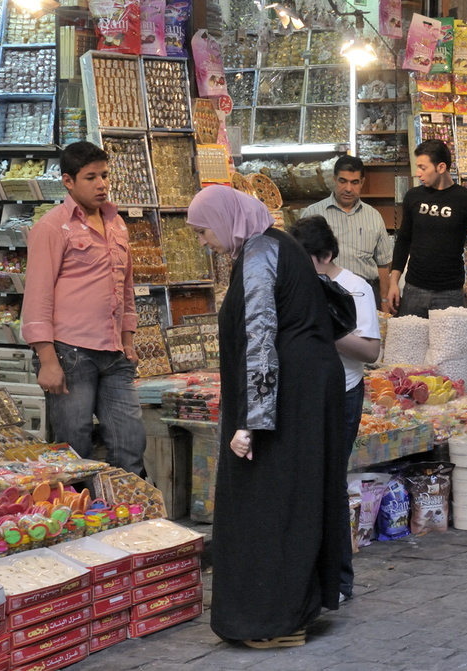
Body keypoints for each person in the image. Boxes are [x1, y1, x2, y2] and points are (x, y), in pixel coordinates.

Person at [188, 185, 347, 648]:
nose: (204, 242)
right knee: (297, 497)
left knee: (269, 504)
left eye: (203, 231)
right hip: (305, 388)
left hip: (287, 396)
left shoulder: (260, 255)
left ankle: (272, 620)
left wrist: (252, 421)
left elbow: (260, 338)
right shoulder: (277, 244)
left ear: (224, 220)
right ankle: (294, 609)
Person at [22, 141, 146, 476]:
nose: (102, 183)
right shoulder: (51, 227)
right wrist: (47, 360)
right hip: (69, 352)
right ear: (68, 181)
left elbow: (125, 288)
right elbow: (37, 296)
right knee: (74, 447)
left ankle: (131, 517)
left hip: (115, 352)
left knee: (130, 441)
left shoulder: (117, 224)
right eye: (91, 177)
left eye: (104, 175)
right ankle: (81, 519)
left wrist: (129, 340)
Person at [290, 214, 380, 605]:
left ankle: (340, 579)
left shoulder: (355, 288)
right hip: (303, 393)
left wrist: (331, 327)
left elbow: (371, 351)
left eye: (304, 258)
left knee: (330, 481)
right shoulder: (295, 283)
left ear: (325, 256)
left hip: (342, 392)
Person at [387, 139, 467, 319]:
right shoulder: (413, 196)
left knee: (448, 346)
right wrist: (393, 283)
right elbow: (404, 240)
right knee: (410, 345)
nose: (417, 173)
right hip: (414, 289)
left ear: (441, 167)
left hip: (449, 292)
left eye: (423, 167)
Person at [300, 155, 393, 309]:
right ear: (334, 180)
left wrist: (384, 301)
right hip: (324, 295)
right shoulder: (313, 214)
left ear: (362, 182)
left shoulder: (374, 216)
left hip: (365, 296)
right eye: (343, 181)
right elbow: (300, 260)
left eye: (354, 182)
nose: (348, 189)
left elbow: (383, 264)